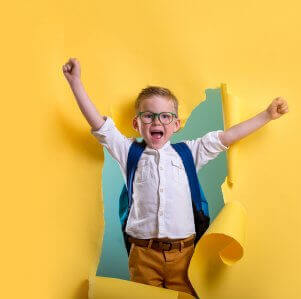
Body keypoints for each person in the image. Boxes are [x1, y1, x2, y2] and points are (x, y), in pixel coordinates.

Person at [62, 57, 289, 297]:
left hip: (185, 254)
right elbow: (100, 126)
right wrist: (76, 83)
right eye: (148, 116)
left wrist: (266, 115)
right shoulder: (128, 152)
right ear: (136, 123)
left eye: (165, 116)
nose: (156, 121)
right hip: (143, 255)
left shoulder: (189, 153)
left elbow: (228, 137)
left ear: (177, 124)